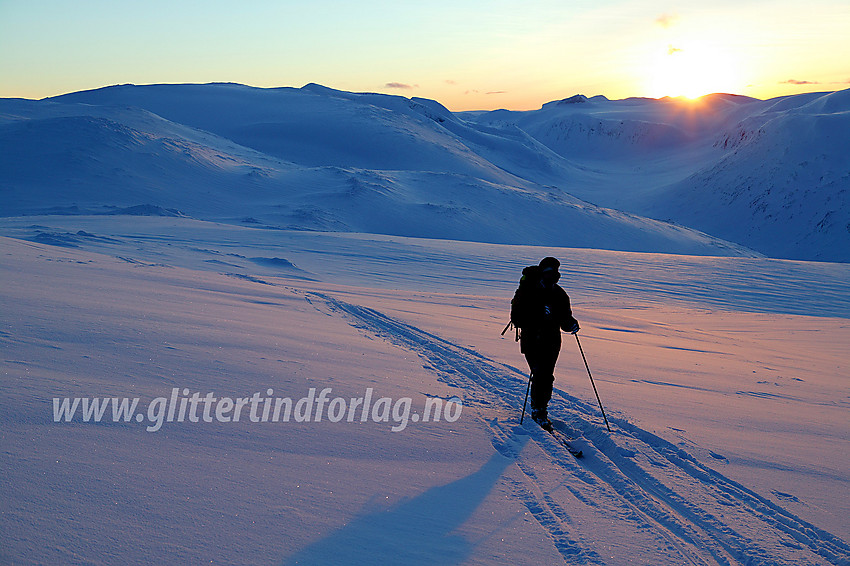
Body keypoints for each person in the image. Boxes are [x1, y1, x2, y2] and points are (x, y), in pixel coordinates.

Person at [510, 256, 579, 426]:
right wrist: (536, 319)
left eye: (555, 271)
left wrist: (572, 324)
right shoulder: (527, 291)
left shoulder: (560, 294)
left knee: (546, 376)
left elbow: (565, 320)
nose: (552, 274)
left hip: (552, 341)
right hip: (532, 339)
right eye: (548, 270)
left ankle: (541, 408)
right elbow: (517, 318)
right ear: (542, 272)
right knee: (540, 374)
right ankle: (538, 410)